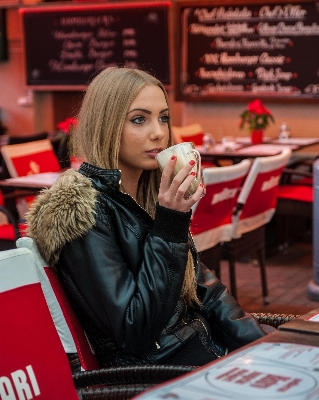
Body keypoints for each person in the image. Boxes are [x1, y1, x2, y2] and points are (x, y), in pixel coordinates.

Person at [26, 67, 266, 368]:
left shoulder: (150, 195)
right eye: (139, 119)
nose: (159, 132)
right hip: (159, 374)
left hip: (203, 352)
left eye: (163, 118)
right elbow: (135, 329)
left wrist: (266, 347)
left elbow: (206, 291)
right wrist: (169, 226)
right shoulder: (83, 211)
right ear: (107, 125)